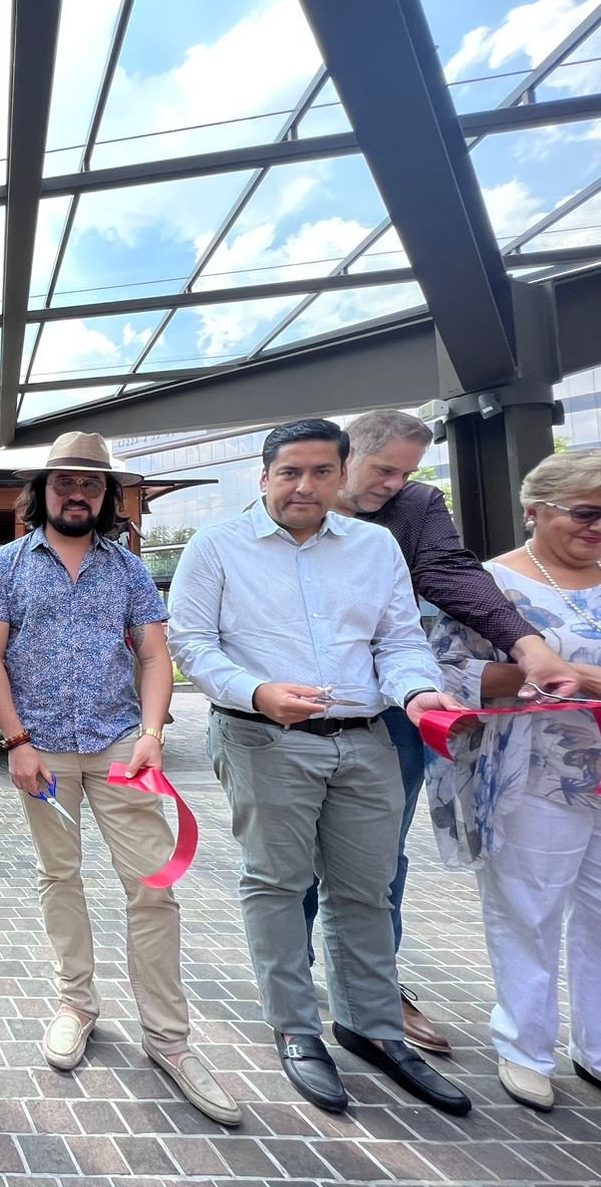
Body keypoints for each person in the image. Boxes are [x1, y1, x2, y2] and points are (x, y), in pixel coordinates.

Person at [167, 419, 472, 1116]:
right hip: (262, 738)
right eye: (289, 472)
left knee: (367, 889)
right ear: (265, 476)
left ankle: (373, 1028)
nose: (304, 486)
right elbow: (190, 640)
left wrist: (419, 690)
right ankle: (296, 1028)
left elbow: (399, 639)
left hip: (367, 738)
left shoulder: (375, 546)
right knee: (276, 883)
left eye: (320, 472)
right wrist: (257, 693)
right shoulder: (217, 546)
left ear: (341, 475)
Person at [0, 432, 240, 1126]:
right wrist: (17, 741)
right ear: (44, 490)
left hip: (121, 746)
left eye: (92, 483)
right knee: (59, 878)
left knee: (153, 889)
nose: (78, 492)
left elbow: (155, 657)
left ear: (107, 496)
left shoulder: (126, 569)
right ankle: (76, 1003)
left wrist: (152, 734)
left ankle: (170, 1041)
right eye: (66, 481)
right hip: (44, 752)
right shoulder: (6, 564)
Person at [301, 409, 581, 1055]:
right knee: (291, 861)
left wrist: (526, 644)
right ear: (344, 459)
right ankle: (293, 979)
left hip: (398, 706)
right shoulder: (301, 498)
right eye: (383, 470)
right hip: (294, 711)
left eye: (407, 472)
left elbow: (451, 574)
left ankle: (377, 986)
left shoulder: (417, 508)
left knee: (379, 855)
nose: (395, 484)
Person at [426, 449, 601, 1111]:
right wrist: (543, 675)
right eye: (585, 512)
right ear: (536, 509)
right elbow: (446, 672)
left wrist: (579, 675)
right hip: (534, 770)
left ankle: (597, 1044)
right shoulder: (489, 587)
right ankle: (525, 1047)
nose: (597, 526)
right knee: (528, 908)